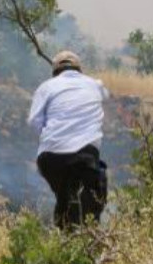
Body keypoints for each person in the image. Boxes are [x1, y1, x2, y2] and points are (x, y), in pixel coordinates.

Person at [28, 50, 109, 230]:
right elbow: (106, 94)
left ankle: (64, 238)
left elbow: (34, 122)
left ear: (55, 71)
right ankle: (89, 233)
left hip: (51, 157)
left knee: (64, 194)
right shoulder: (94, 85)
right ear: (79, 69)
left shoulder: (46, 86)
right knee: (94, 189)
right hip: (85, 154)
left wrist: (53, 134)